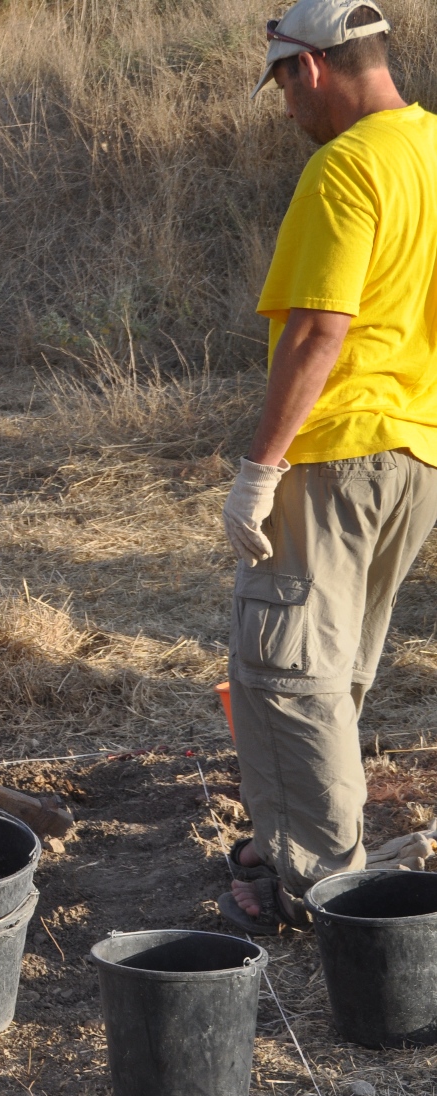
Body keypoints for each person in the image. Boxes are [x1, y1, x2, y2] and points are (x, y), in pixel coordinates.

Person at [219, 0, 436, 934]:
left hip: (338, 452)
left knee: (286, 673)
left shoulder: (343, 166)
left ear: (307, 68)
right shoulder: (428, 148)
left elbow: (316, 328)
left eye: (279, 86)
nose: (282, 109)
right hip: (415, 456)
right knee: (338, 662)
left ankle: (318, 889)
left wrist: (260, 467)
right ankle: (310, 844)